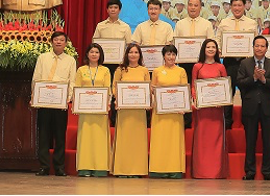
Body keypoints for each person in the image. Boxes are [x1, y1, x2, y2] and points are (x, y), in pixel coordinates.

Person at [236, 36, 270, 180]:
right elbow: (239, 82)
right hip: (250, 107)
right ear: (253, 47)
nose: (259, 48)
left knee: (268, 141)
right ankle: (249, 172)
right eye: (257, 45)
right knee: (250, 140)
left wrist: (264, 80)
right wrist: (254, 78)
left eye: (262, 46)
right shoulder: (245, 63)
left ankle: (267, 172)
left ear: (267, 48)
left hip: (267, 107)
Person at [31, 31, 76, 176]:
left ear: (66, 43)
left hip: (60, 104)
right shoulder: (42, 58)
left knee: (60, 136)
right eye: (56, 40)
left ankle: (59, 167)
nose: (58, 42)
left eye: (61, 40)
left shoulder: (71, 60)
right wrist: (34, 95)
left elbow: (72, 81)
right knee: (43, 135)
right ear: (51, 42)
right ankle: (44, 166)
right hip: (44, 102)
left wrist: (67, 99)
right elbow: (36, 77)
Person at [215, 0, 258, 129]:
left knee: (247, 92)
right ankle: (227, 121)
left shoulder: (252, 23)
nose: (237, 8)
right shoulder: (224, 23)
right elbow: (218, 40)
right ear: (230, 7)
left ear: (244, 6)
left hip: (246, 63)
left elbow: (256, 43)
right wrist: (220, 50)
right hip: (229, 62)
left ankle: (247, 120)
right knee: (228, 92)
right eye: (234, 5)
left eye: (240, 5)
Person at [173, 0, 215, 128]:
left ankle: (202, 119)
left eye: (196, 5)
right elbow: (175, 44)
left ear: (200, 8)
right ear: (187, 6)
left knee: (200, 90)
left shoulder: (207, 24)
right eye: (190, 5)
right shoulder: (180, 24)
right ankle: (186, 120)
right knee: (185, 90)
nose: (193, 8)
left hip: (202, 64)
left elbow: (211, 43)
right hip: (184, 63)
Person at [191, 39, 229, 178]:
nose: (211, 49)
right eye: (208, 47)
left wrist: (222, 100)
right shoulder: (197, 67)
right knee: (202, 140)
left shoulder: (221, 67)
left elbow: (225, 86)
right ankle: (201, 171)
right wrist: (196, 100)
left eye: (214, 47)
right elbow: (193, 87)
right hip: (202, 110)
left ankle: (216, 171)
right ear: (204, 49)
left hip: (217, 110)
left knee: (216, 140)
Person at [149, 44, 187, 178]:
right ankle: (157, 169)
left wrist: (183, 107)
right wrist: (152, 90)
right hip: (160, 111)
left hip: (175, 112)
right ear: (163, 56)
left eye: (173, 54)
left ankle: (175, 169)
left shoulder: (181, 71)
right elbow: (152, 88)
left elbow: (184, 90)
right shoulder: (157, 71)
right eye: (168, 54)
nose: (171, 57)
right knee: (160, 140)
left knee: (174, 141)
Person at [111, 45, 150, 177]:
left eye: (136, 52)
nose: (133, 55)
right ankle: (122, 169)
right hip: (124, 110)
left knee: (137, 141)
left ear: (140, 55)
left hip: (139, 111)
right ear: (126, 54)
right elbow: (114, 87)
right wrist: (118, 99)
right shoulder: (120, 69)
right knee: (124, 139)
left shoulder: (144, 70)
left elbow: (148, 89)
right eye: (131, 52)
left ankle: (138, 169)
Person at [75, 43, 111, 177]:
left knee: (99, 138)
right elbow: (76, 88)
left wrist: (106, 103)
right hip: (85, 111)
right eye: (92, 52)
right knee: (86, 138)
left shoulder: (105, 71)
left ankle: (100, 167)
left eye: (97, 52)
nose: (94, 54)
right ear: (87, 54)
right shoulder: (81, 70)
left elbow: (108, 89)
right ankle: (84, 167)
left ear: (100, 55)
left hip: (100, 111)